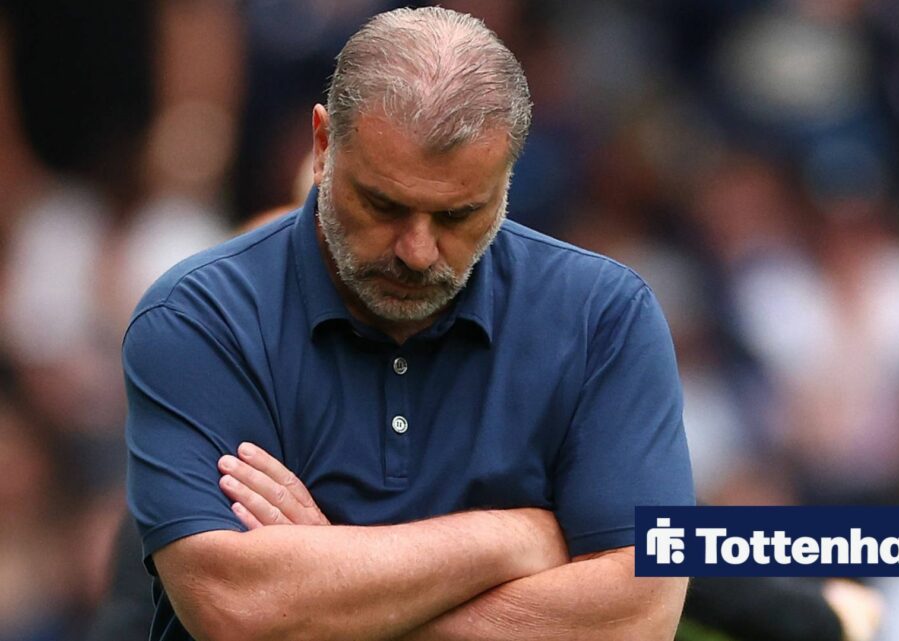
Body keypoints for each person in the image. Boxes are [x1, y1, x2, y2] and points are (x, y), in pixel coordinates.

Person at [123, 6, 693, 641]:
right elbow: (238, 610)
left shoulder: (604, 317)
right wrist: (506, 538)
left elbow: (639, 616)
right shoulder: (200, 318)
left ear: (508, 178)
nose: (417, 252)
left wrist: (332, 596)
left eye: (458, 215)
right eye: (384, 205)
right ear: (321, 146)